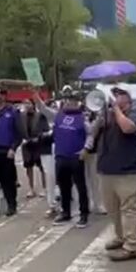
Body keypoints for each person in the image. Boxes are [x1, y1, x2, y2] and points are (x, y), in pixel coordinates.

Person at [97, 87, 136, 261]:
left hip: (128, 171)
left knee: (129, 209)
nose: (116, 99)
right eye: (114, 96)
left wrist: (116, 110)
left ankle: (131, 245)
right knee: (112, 208)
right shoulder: (107, 115)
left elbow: (127, 128)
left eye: (119, 97)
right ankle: (120, 236)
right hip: (107, 169)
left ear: (128, 101)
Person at [36, 91, 89, 227]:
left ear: (77, 103)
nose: (69, 103)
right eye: (68, 100)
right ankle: (66, 212)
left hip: (76, 157)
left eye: (73, 101)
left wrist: (86, 148)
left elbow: (91, 134)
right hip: (61, 156)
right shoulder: (58, 115)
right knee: (64, 186)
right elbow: (43, 108)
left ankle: (84, 214)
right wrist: (35, 94)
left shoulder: (83, 118)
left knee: (81, 187)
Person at [0, 89, 22, 216]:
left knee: (7, 180)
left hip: (6, 150)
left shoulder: (12, 111)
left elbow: (19, 133)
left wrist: (13, 148)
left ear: (3, 96)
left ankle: (11, 205)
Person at [20, 99, 52, 202]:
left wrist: (38, 138)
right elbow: (19, 129)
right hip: (26, 144)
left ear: (33, 105)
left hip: (38, 144)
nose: (27, 106)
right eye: (25, 104)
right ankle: (31, 188)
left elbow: (46, 130)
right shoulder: (22, 116)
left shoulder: (40, 116)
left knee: (41, 167)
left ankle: (44, 188)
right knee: (28, 166)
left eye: (29, 103)